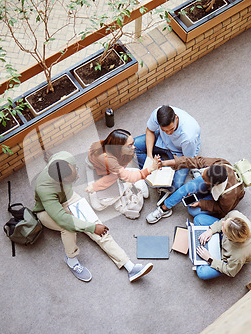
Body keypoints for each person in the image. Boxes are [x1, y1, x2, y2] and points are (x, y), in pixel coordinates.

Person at [33, 151, 153, 282]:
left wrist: (51, 158)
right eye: (73, 178)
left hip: (68, 197)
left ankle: (130, 267)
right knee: (68, 228)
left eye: (76, 171)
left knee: (101, 229)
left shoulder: (65, 156)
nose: (78, 177)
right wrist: (91, 227)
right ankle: (71, 259)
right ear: (60, 181)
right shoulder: (45, 189)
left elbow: (56, 158)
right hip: (46, 211)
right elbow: (64, 219)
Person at [146, 156, 245, 224]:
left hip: (220, 201)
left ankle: (199, 195)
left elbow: (220, 209)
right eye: (203, 173)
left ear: (212, 184)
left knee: (193, 210)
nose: (202, 176)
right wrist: (163, 163)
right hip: (213, 185)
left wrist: (201, 203)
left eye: (204, 178)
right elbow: (193, 161)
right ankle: (164, 208)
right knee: (190, 186)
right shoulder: (220, 164)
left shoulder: (229, 195)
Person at [134, 105, 201, 203]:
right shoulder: (158, 113)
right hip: (162, 141)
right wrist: (149, 157)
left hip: (181, 153)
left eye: (172, 129)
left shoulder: (189, 136)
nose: (169, 133)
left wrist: (164, 164)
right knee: (132, 147)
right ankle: (148, 169)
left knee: (176, 185)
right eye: (165, 130)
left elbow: (187, 160)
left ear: (176, 118)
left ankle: (158, 177)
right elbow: (150, 130)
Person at [85, 129, 161, 196]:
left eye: (133, 143)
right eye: (129, 146)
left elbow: (123, 169)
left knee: (120, 174)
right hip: (96, 163)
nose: (134, 147)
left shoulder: (119, 151)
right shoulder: (107, 158)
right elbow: (121, 176)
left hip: (109, 161)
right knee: (115, 177)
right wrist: (95, 186)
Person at [193, 210, 251, 280]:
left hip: (231, 259)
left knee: (202, 273)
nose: (223, 223)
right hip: (227, 239)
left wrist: (210, 259)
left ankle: (207, 259)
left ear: (228, 236)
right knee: (198, 219)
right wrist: (211, 230)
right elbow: (224, 220)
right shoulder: (235, 214)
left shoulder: (237, 256)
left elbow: (230, 271)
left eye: (223, 226)